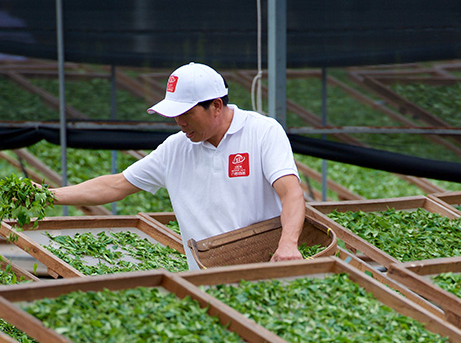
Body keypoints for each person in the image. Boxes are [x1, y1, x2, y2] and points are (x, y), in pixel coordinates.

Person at [47, 62, 306, 269]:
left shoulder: (262, 132)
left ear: (216, 106)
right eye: (174, 114)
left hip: (267, 270)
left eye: (186, 113)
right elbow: (116, 185)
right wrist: (47, 196)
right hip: (206, 277)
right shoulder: (175, 148)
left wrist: (288, 245)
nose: (179, 122)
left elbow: (291, 193)